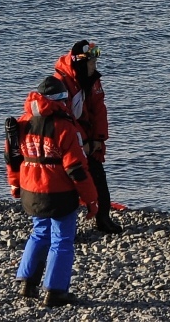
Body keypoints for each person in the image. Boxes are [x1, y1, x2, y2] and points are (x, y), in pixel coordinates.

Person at [8, 74, 101, 308]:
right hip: (59, 194)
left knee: (39, 233)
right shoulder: (65, 127)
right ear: (61, 100)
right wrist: (91, 200)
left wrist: (15, 185)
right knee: (62, 240)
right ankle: (55, 291)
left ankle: (26, 284)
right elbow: (77, 169)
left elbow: (12, 159)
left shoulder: (21, 123)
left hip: (31, 191)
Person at [53, 41, 119, 235]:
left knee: (99, 179)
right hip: (71, 143)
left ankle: (103, 219)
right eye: (92, 63)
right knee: (70, 185)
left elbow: (99, 110)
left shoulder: (93, 80)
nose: (95, 66)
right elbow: (65, 119)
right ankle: (66, 226)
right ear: (81, 64)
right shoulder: (61, 82)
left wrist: (99, 139)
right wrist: (82, 143)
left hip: (90, 141)